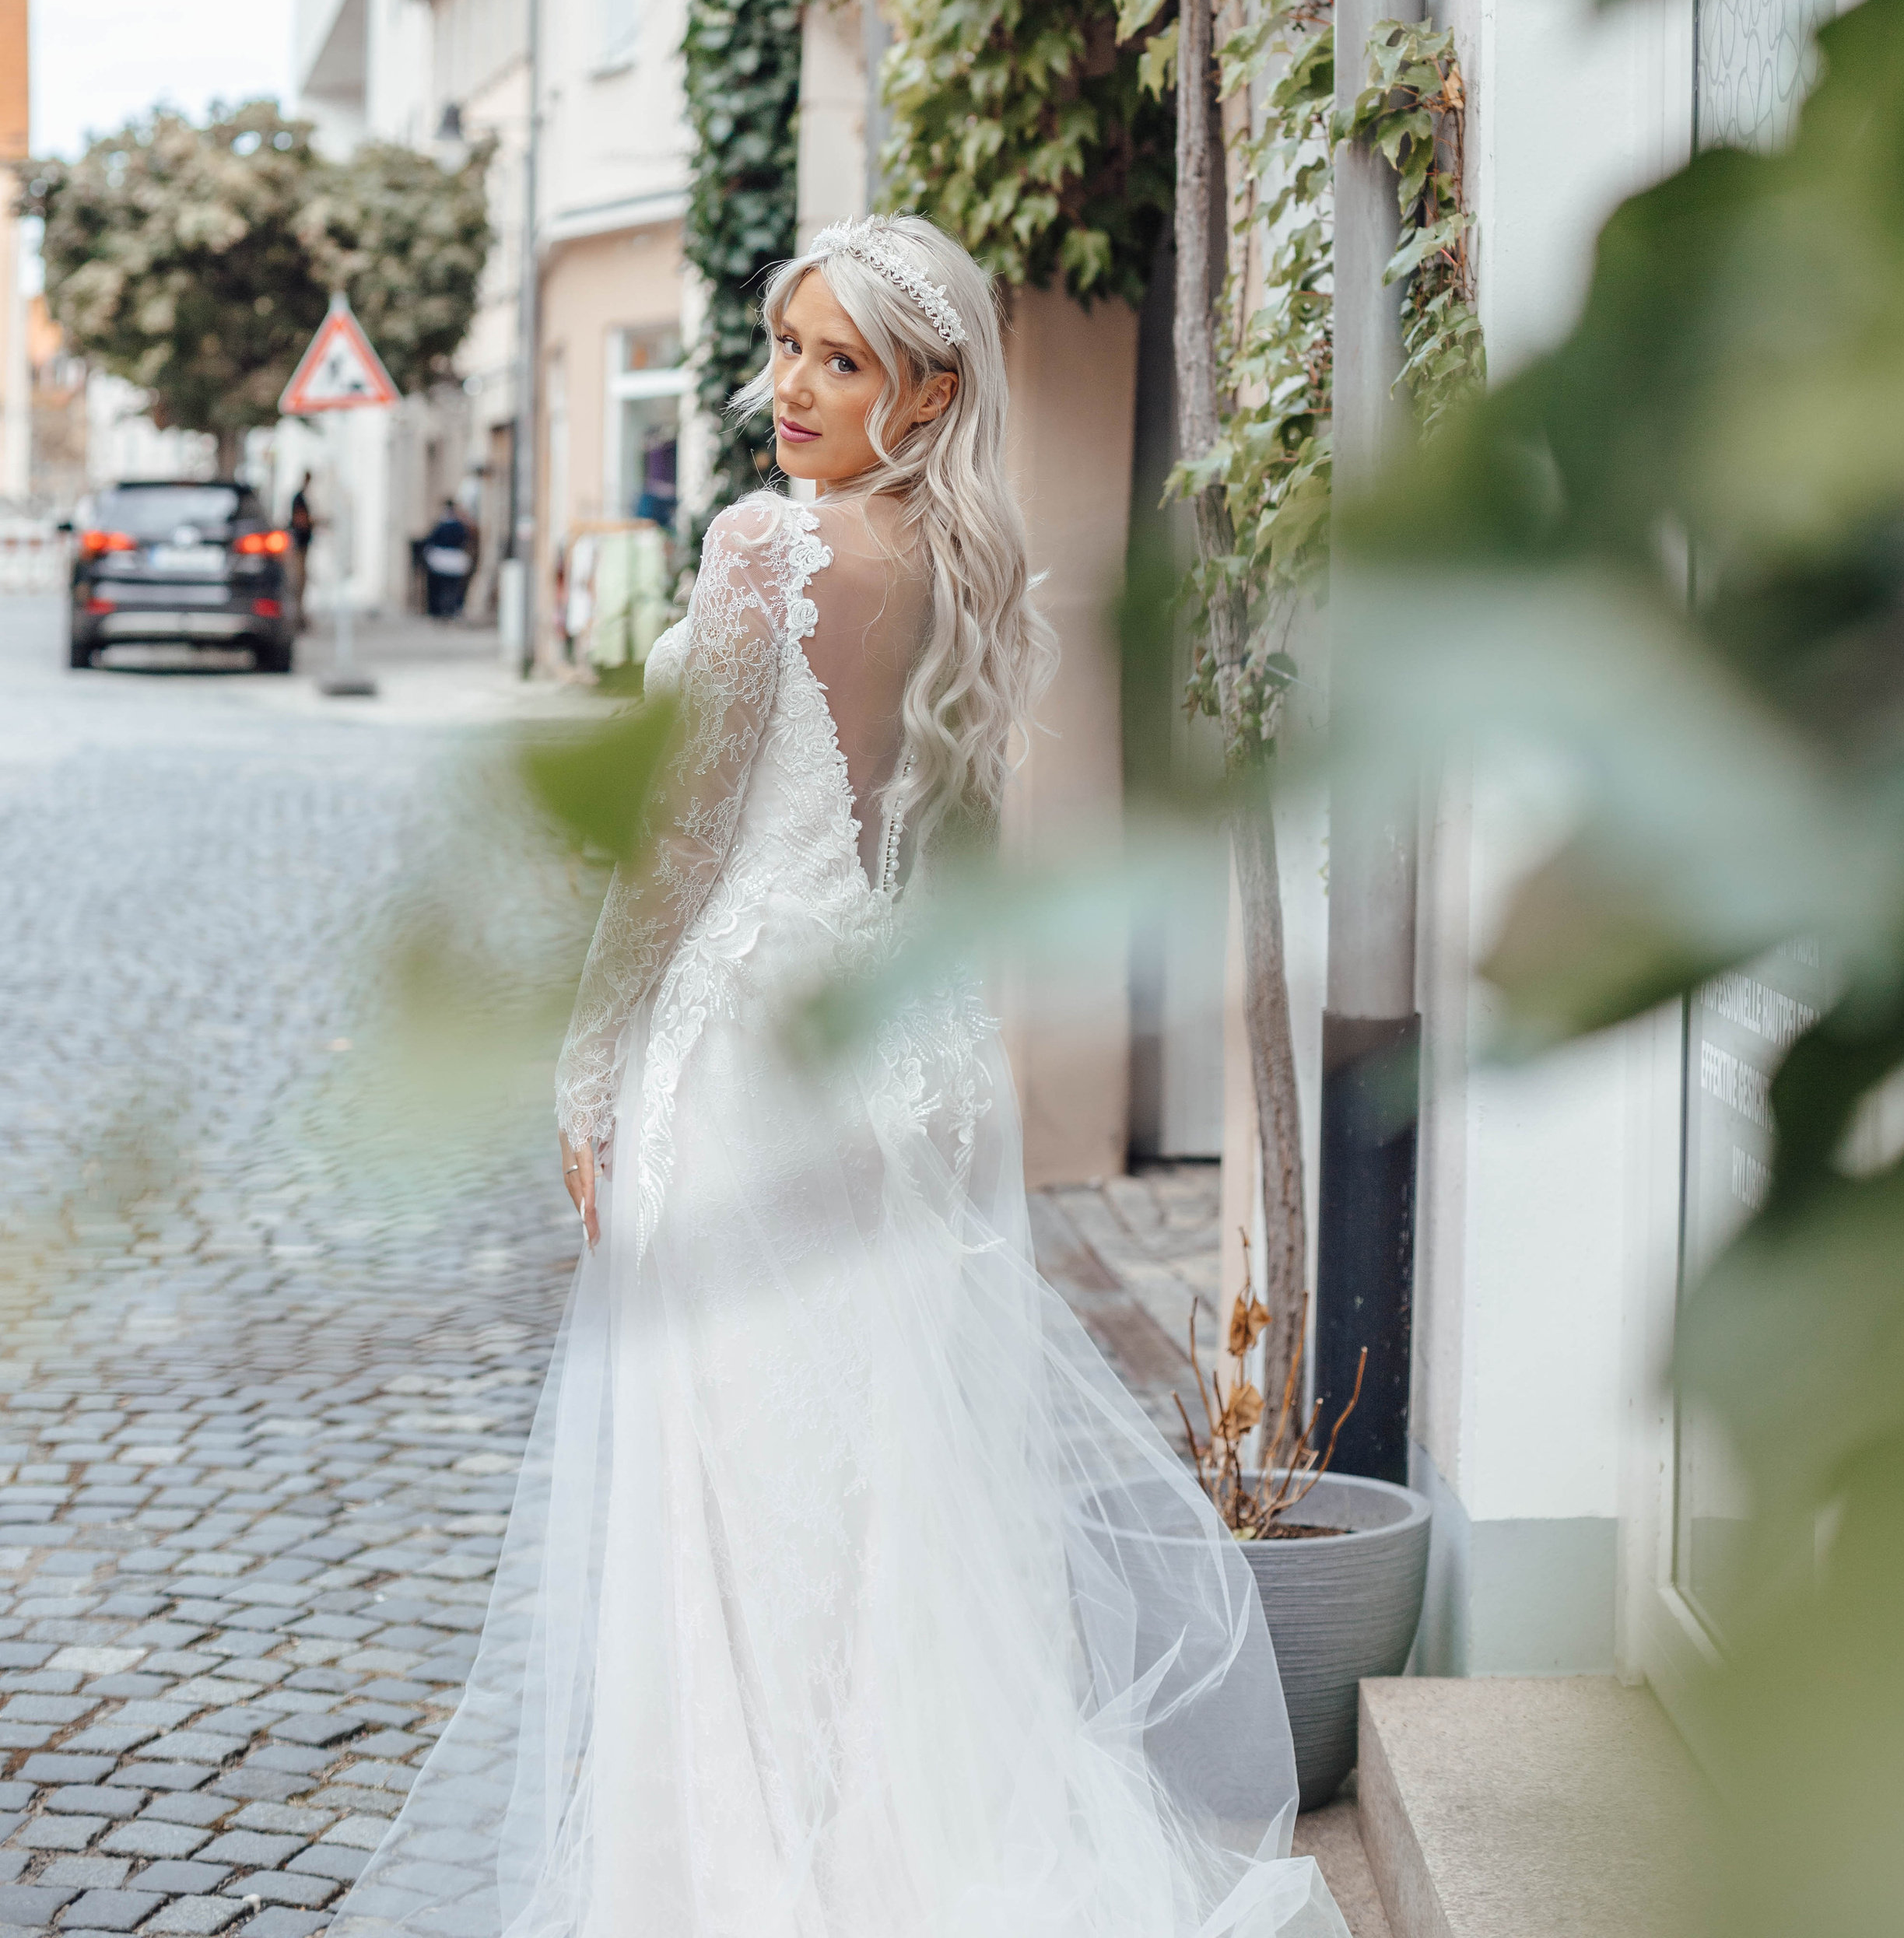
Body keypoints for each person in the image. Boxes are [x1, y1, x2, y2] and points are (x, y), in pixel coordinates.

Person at [342, 213, 1341, 1938]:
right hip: (889, 1050)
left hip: (743, 1058)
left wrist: (587, 1075)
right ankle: (870, 1840)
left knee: (738, 1480)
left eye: (841, 361)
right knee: (877, 1467)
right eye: (787, 345)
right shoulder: (972, 563)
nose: (788, 388)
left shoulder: (765, 556)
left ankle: (748, 1876)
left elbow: (672, 850)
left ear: (930, 388)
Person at [422, 496, 472, 619]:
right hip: (453, 559)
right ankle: (450, 609)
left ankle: (442, 609)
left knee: (442, 586)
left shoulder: (444, 525)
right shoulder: (458, 525)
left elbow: (432, 540)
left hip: (444, 558)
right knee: (451, 586)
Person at [288, 476, 314, 630]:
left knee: (302, 583)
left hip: (302, 546)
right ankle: (297, 619)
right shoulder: (299, 498)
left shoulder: (302, 497)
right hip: (298, 547)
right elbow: (300, 520)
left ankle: (299, 617)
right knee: (298, 583)